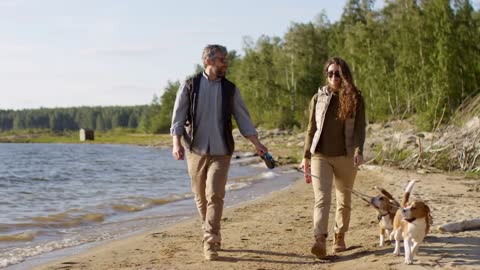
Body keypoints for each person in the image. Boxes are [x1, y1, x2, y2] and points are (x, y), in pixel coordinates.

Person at [170, 44, 268, 261]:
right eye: (223, 60)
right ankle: (211, 231)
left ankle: (211, 240)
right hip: (195, 150)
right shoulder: (189, 85)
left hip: (222, 150)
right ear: (209, 61)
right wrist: (176, 143)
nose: (227, 64)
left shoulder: (230, 89)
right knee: (200, 197)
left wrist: (257, 143)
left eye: (227, 60)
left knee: (215, 194)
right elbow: (178, 117)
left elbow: (243, 119)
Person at [299, 57, 366, 259]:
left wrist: (358, 152)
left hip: (345, 155)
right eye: (330, 73)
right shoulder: (317, 98)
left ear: (344, 74)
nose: (334, 77)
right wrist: (305, 156)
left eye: (338, 73)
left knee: (344, 199)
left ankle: (339, 236)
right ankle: (320, 239)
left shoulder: (356, 97)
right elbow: (311, 128)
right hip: (320, 155)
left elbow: (360, 129)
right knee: (322, 198)